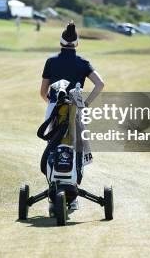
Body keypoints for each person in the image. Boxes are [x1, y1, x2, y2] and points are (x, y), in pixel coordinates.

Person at [39, 22, 104, 212]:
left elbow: (43, 92)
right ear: (77, 44)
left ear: (60, 42)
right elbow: (100, 84)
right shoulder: (83, 63)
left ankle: (53, 193)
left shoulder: (51, 62)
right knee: (76, 149)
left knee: (53, 148)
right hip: (76, 110)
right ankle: (73, 195)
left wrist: (53, 105)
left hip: (54, 111)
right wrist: (86, 103)